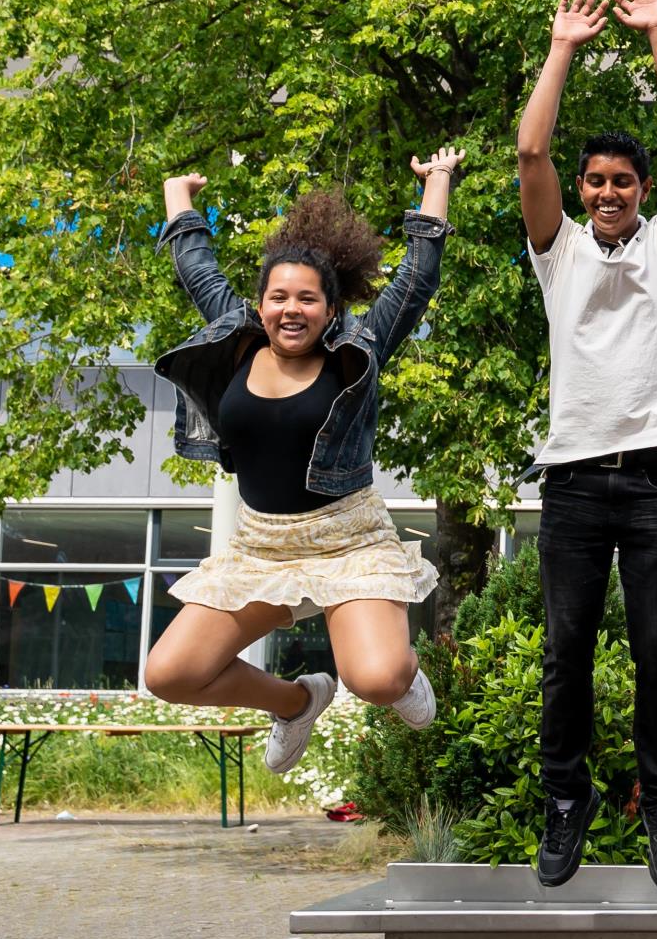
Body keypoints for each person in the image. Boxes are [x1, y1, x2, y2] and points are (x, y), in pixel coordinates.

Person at [145, 150, 460, 777]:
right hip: (261, 546)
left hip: (349, 540)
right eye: (279, 297)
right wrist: (178, 196)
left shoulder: (358, 349)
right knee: (170, 674)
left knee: (374, 679)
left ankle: (401, 674)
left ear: (331, 309)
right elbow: (196, 268)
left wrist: (437, 184)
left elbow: (415, 282)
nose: (292, 309)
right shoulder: (233, 341)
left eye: (308, 300)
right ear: (260, 306)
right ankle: (297, 702)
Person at [517, 0, 657, 895]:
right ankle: (566, 800)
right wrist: (563, 48)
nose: (606, 192)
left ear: (640, 192)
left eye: (620, 181)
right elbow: (529, 147)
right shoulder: (560, 252)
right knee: (568, 653)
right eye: (594, 181)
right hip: (576, 483)